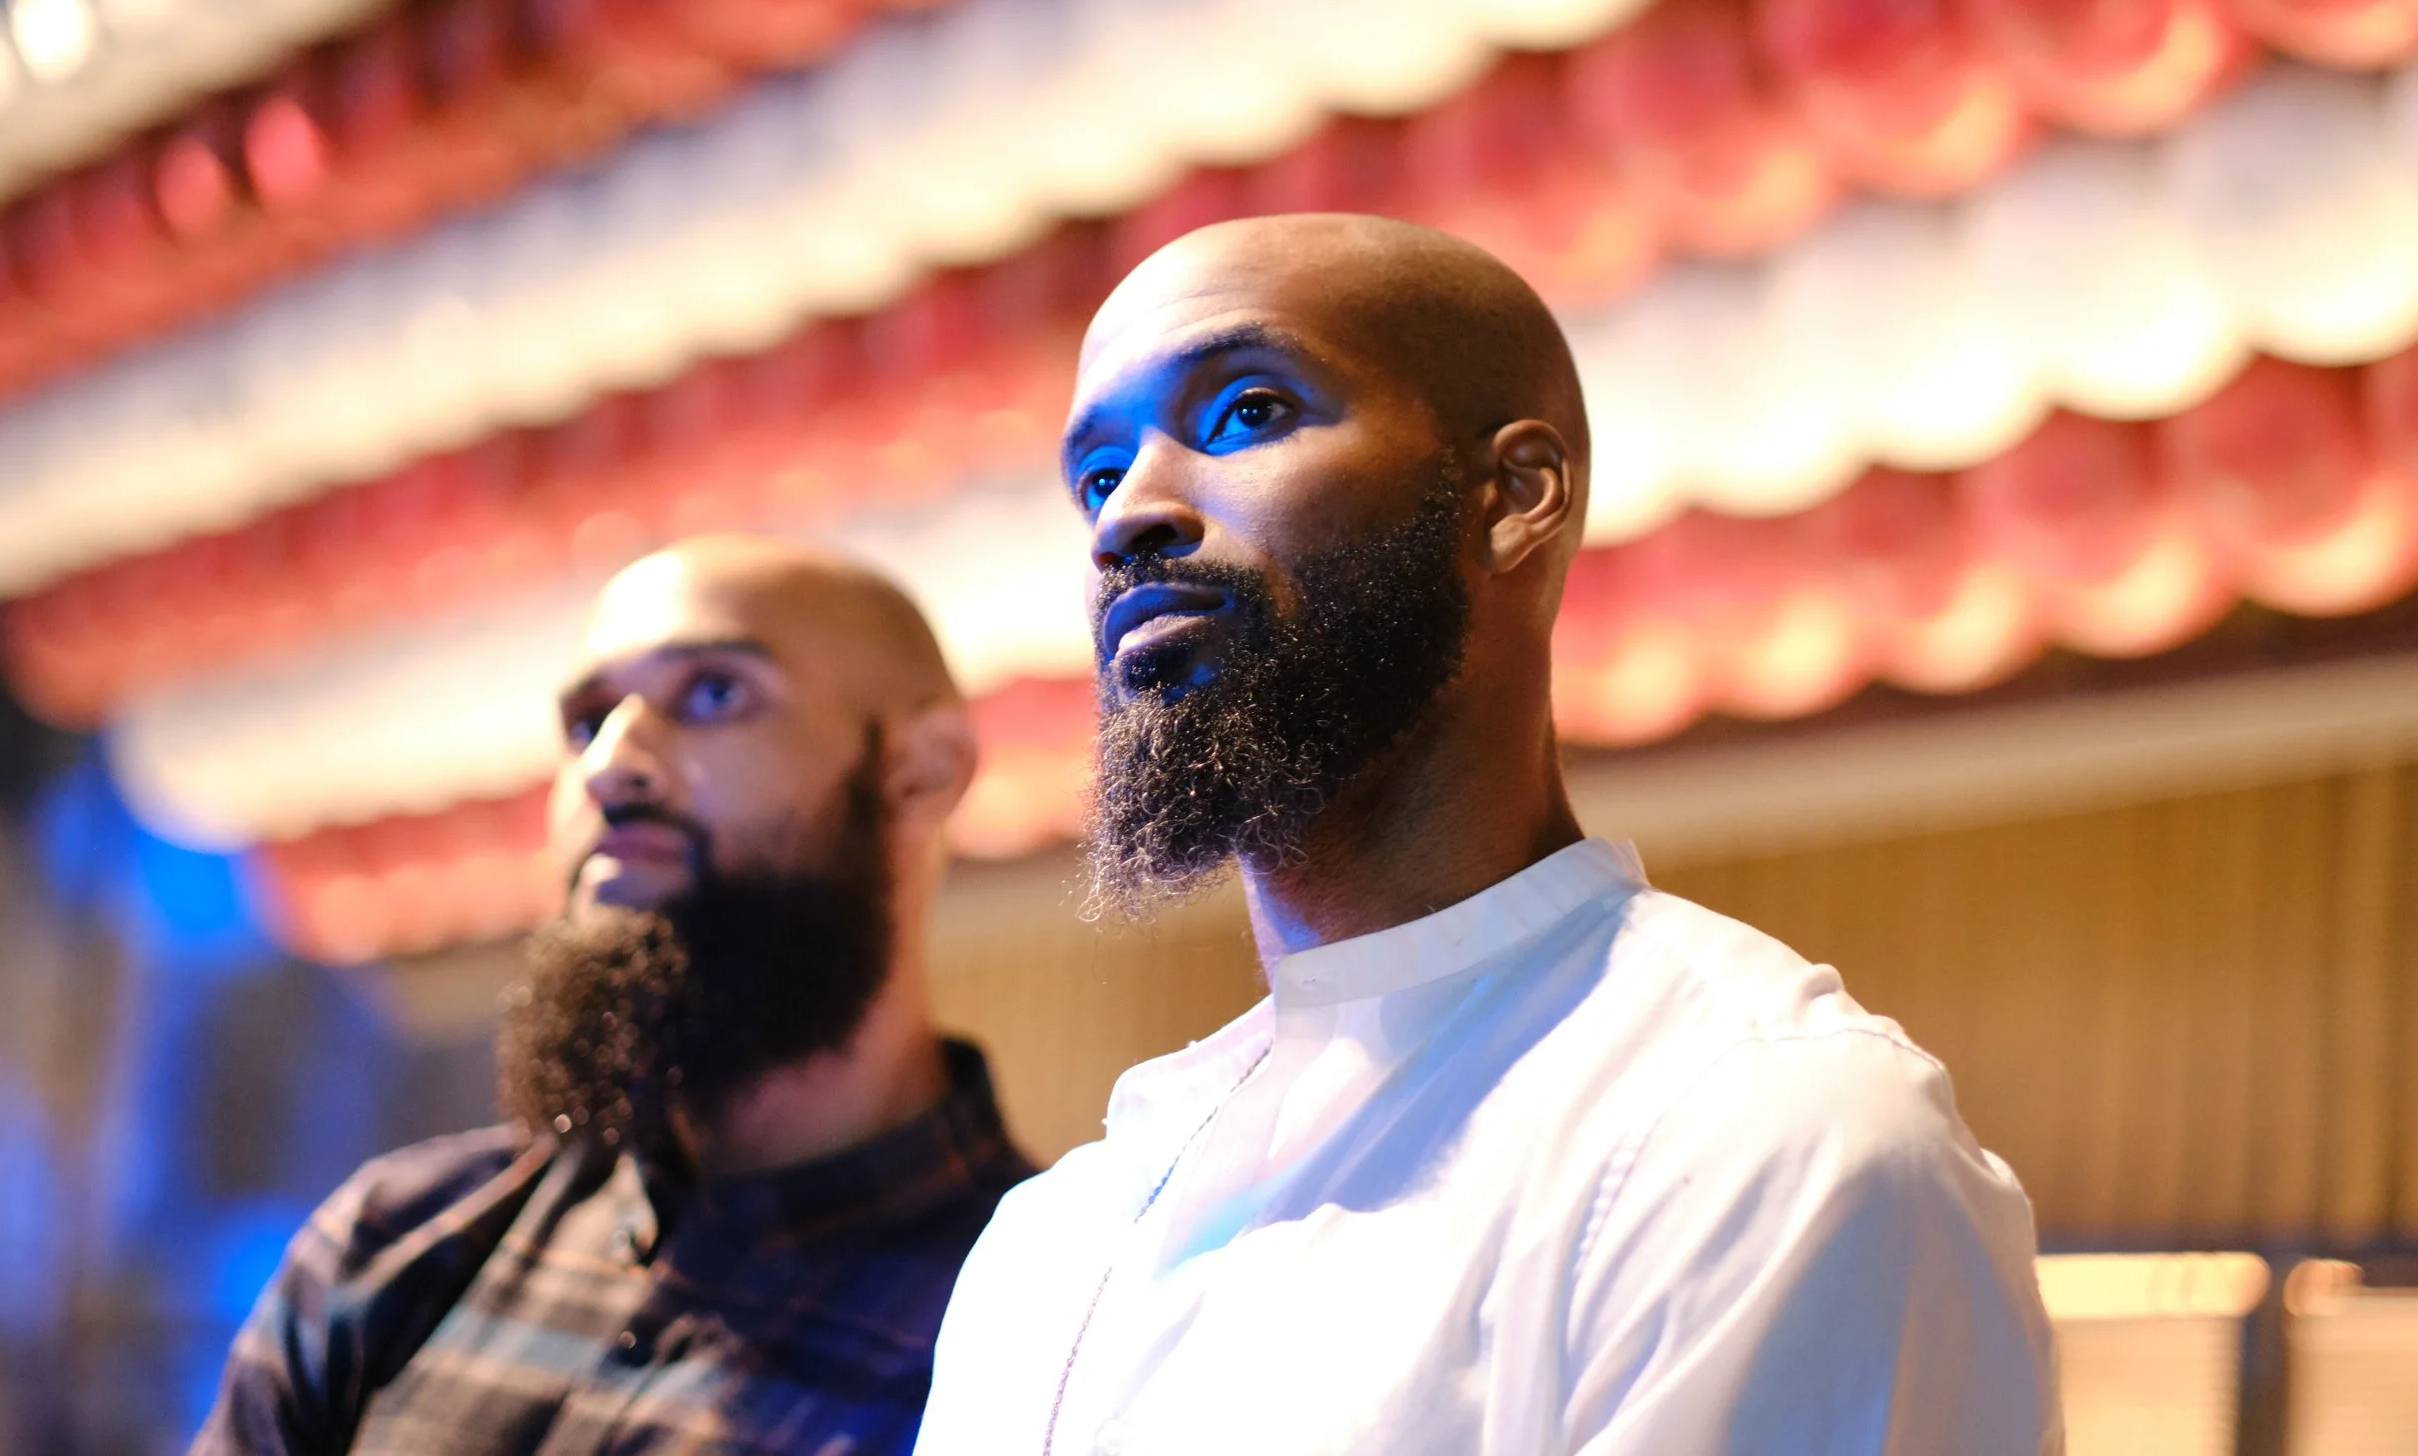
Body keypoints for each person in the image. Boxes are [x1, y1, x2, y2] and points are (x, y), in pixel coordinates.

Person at [915, 214, 2059, 1456]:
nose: (1126, 516)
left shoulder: (1764, 1134)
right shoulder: (1057, 1233)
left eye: (1245, 412)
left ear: (1512, 495)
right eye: (1096, 477)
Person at [196, 537, 1034, 1455]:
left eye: (715, 693)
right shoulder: (389, 1247)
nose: (610, 764)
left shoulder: (1052, 1329)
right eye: (588, 722)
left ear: (920, 767)